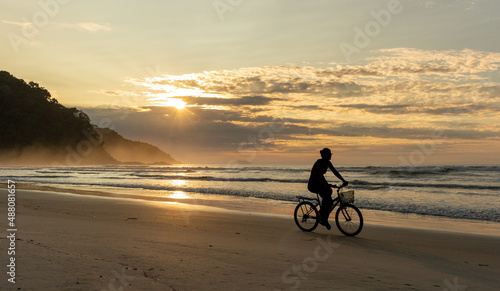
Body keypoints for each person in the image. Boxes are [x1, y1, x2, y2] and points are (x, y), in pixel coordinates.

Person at [308, 148, 348, 230]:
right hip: (313, 184)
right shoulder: (319, 163)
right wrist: (326, 184)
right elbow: (319, 175)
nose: (330, 156)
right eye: (329, 154)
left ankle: (323, 217)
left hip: (320, 183)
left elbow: (335, 172)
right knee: (327, 197)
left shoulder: (328, 163)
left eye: (330, 154)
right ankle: (323, 217)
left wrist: (343, 180)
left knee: (329, 196)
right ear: (324, 155)